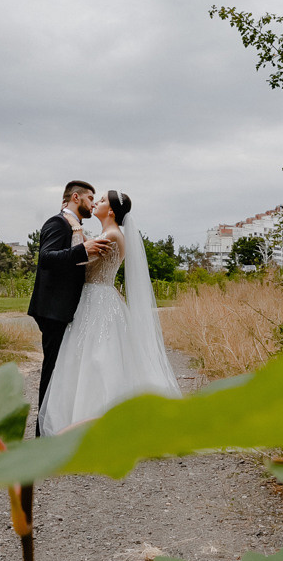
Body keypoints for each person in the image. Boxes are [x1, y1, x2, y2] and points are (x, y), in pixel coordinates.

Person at [36, 188, 182, 436]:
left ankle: (95, 425)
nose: (96, 203)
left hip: (97, 299)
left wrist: (77, 233)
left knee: (98, 359)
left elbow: (81, 263)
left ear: (111, 211)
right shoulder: (107, 234)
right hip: (97, 298)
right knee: (91, 359)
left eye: (101, 200)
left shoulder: (112, 236)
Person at [28, 180, 111, 434]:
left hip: (63, 309)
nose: (93, 204)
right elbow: (46, 258)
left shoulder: (75, 227)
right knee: (52, 371)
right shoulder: (58, 223)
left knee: (61, 370)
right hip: (52, 310)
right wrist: (83, 250)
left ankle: (56, 427)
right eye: (90, 198)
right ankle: (43, 433)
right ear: (76, 197)